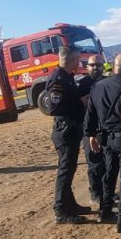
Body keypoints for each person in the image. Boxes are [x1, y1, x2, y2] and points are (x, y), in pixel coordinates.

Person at [84, 53, 121, 233]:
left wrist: (90, 134)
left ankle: (105, 211)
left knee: (109, 175)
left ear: (113, 67)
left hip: (106, 139)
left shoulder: (98, 86)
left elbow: (90, 114)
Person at [46, 46, 92, 224]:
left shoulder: (67, 77)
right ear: (71, 60)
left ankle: (69, 204)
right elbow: (54, 108)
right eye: (77, 59)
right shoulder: (58, 78)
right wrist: (79, 102)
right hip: (64, 131)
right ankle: (60, 210)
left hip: (70, 130)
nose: (78, 62)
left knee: (70, 168)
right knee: (65, 170)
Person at [79, 54, 107, 206]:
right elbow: (84, 103)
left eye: (98, 65)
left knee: (106, 162)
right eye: (92, 65)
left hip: (105, 128)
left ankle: (106, 191)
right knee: (94, 162)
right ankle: (95, 193)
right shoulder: (83, 84)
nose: (95, 68)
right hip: (90, 129)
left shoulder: (106, 82)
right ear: (86, 67)